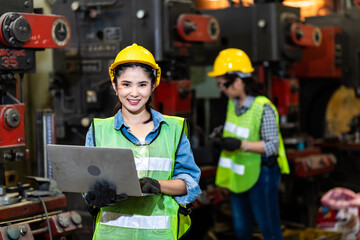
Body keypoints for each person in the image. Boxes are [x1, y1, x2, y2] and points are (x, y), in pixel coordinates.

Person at [83, 43, 201, 239]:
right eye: (126, 84)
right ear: (115, 85)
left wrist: (157, 185)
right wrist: (95, 195)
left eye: (142, 84)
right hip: (112, 234)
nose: (134, 93)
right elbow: (87, 185)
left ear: (153, 85)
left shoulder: (174, 129)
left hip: (159, 234)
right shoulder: (98, 130)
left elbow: (189, 184)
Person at [208, 48, 290, 240]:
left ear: (237, 81)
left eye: (222, 84)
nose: (220, 89)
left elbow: (272, 146)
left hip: (263, 174)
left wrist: (240, 144)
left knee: (269, 230)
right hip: (240, 176)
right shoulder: (232, 104)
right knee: (241, 231)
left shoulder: (263, 107)